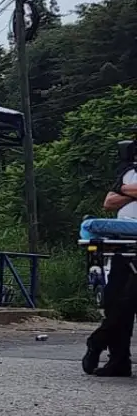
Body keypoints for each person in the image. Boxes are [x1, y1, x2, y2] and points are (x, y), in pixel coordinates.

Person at [82, 161, 137, 377]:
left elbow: (118, 194)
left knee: (128, 301)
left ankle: (97, 341)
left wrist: (124, 190)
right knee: (114, 301)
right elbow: (109, 202)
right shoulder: (129, 172)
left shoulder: (126, 180)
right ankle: (118, 360)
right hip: (124, 245)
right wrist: (129, 191)